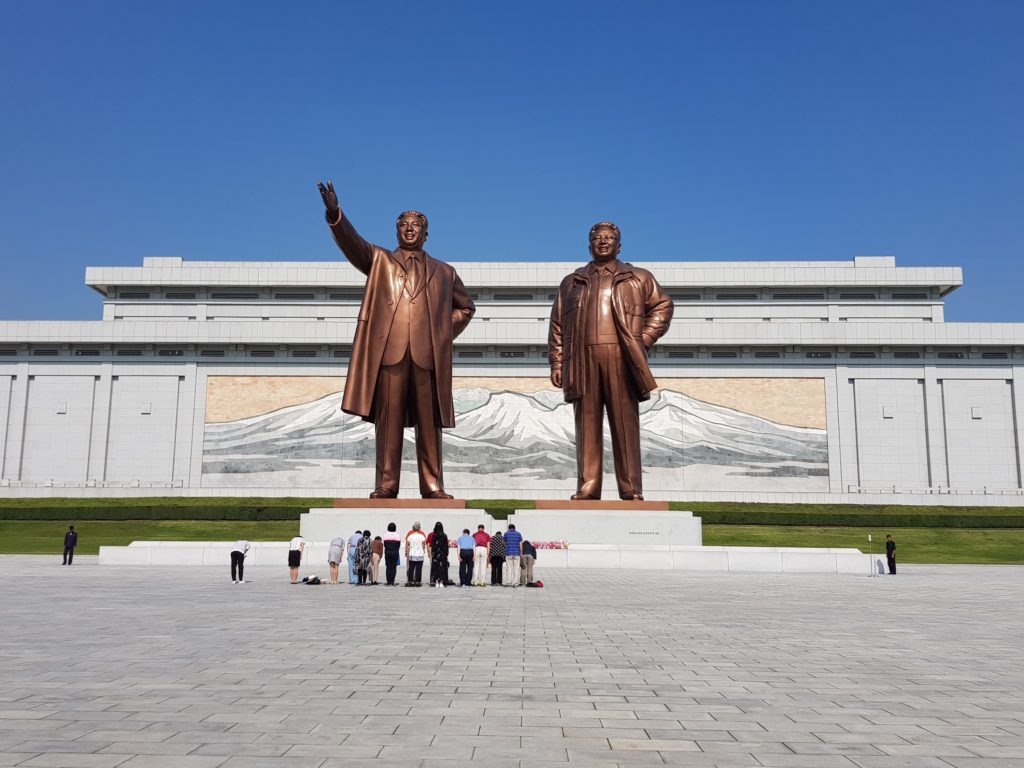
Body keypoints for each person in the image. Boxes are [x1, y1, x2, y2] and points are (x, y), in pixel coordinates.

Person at [317, 182, 476, 499]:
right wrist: (335, 214)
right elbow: (353, 245)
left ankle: (432, 485)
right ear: (396, 231)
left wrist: (441, 331)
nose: (409, 230)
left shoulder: (444, 272)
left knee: (430, 424)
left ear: (426, 233)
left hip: (427, 355)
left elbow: (466, 307)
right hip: (390, 354)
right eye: (403, 225)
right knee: (387, 423)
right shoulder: (380, 262)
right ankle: (387, 483)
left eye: (416, 226)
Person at [548, 221, 673, 500]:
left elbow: (663, 306)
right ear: (589, 244)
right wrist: (557, 363)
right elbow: (557, 325)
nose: (603, 242)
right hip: (582, 360)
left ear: (619, 245)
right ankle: (588, 486)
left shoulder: (637, 277)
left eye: (609, 238)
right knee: (586, 425)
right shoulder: (572, 282)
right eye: (597, 238)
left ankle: (630, 487)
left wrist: (643, 339)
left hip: (621, 356)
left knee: (624, 423)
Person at [405, 522, 427, 586]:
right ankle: (417, 581)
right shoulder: (422, 536)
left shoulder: (410, 536)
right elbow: (423, 545)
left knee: (411, 568)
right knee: (419, 568)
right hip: (419, 554)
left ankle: (410, 580)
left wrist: (406, 552)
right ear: (419, 529)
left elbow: (407, 545)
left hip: (412, 554)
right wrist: (423, 550)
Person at [429, 521, 449, 588]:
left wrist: (432, 553)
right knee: (442, 567)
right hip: (442, 554)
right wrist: (446, 554)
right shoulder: (444, 535)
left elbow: (433, 546)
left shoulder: (434, 536)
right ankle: (442, 581)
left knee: (436, 568)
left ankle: (436, 581)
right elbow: (446, 546)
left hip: (436, 554)